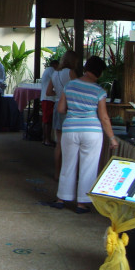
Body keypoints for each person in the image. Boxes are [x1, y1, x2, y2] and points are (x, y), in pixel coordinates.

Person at [50, 56, 119, 213]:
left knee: (68, 164)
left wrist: (74, 111)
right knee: (88, 167)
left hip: (70, 130)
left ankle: (61, 199)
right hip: (92, 132)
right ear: (99, 72)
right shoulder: (99, 91)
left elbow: (60, 109)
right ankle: (81, 203)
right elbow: (104, 117)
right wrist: (112, 138)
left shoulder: (70, 85)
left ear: (86, 68)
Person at [46, 50, 79, 180]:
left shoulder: (55, 73)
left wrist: (59, 94)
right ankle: (68, 173)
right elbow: (78, 89)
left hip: (57, 106)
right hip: (69, 108)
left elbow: (48, 92)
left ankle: (57, 172)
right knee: (70, 143)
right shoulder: (71, 73)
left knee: (59, 143)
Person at [39, 59, 60, 146]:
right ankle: (47, 139)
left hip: (46, 98)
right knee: (48, 120)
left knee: (46, 119)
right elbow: (56, 81)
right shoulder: (51, 70)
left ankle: (45, 139)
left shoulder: (47, 70)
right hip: (48, 98)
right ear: (55, 65)